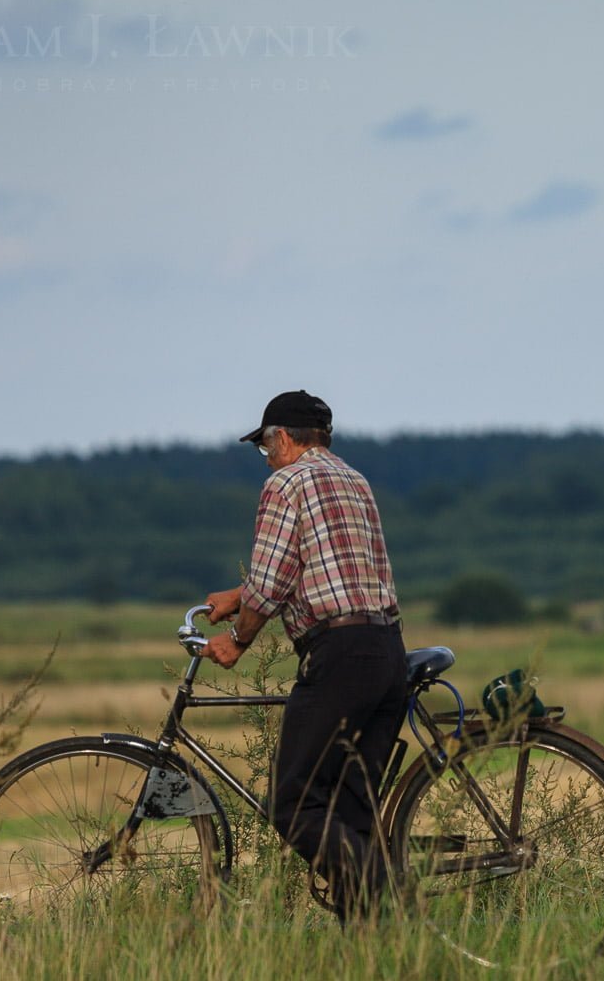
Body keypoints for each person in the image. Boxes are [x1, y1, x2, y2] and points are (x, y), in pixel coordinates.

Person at [202, 389, 407, 923]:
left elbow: (271, 583)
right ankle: (370, 945)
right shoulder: (353, 480)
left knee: (293, 805)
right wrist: (238, 596)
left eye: (265, 445)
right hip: (386, 648)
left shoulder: (285, 483)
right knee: (349, 812)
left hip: (339, 655)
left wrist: (239, 640)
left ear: (285, 439)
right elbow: (315, 570)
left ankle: (387, 897)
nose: (265, 457)